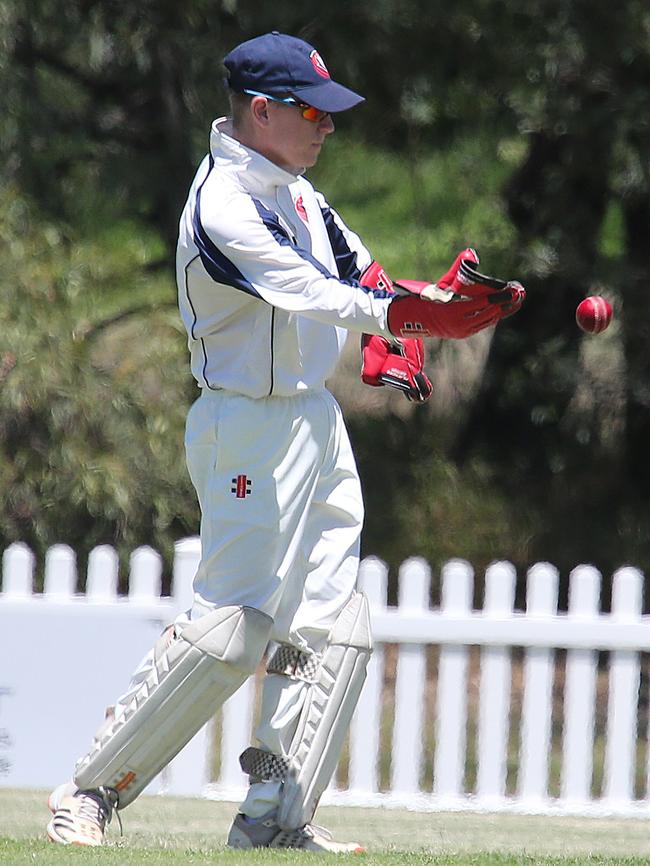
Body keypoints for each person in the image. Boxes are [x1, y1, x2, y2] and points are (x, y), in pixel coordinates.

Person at [46, 31, 524, 853]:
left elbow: (359, 275)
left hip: (311, 419)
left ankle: (274, 820)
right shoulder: (225, 205)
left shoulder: (298, 190)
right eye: (314, 113)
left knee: (332, 626)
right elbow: (304, 290)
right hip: (245, 425)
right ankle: (89, 792)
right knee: (233, 626)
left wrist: (406, 319)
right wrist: (410, 316)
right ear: (261, 111)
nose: (328, 128)